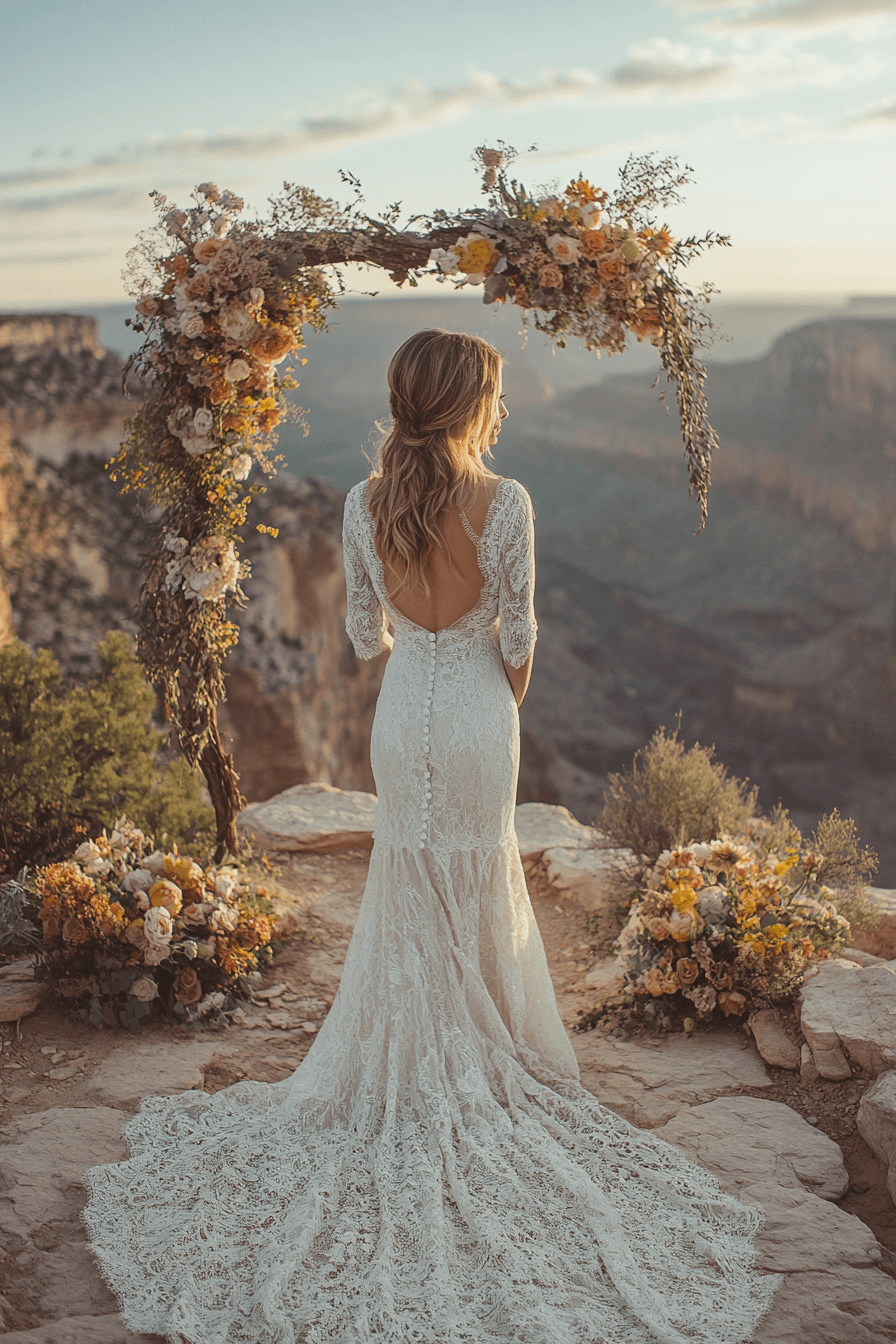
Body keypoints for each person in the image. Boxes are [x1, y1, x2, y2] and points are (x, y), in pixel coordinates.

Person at [82, 328, 779, 1344]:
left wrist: (415, 657)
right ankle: (484, 1024)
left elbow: (364, 637)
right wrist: (496, 705)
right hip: (478, 718)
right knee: (480, 871)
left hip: (402, 714)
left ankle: (416, 1036)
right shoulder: (509, 502)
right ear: (469, 405)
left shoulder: (364, 503)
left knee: (409, 877)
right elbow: (521, 635)